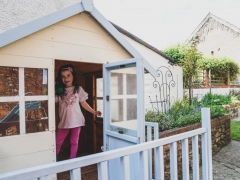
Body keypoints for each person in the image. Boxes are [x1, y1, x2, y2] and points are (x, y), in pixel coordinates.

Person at [55, 64, 101, 160]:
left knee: (74, 142)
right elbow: (52, 101)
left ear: (73, 76)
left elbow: (83, 103)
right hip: (64, 121)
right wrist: (56, 88)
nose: (66, 78)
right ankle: (54, 159)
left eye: (68, 75)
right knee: (58, 142)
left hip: (76, 120)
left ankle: (73, 160)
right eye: (63, 76)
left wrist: (94, 112)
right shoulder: (59, 91)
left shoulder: (78, 89)